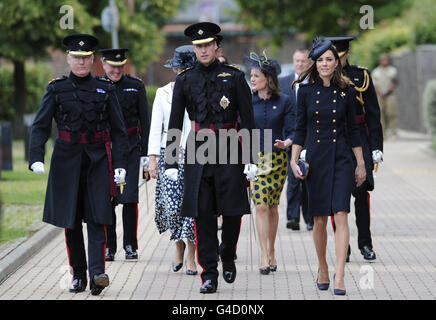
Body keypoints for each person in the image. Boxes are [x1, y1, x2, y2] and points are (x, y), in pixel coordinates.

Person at [28, 34, 129, 295]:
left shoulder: (105, 89)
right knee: (71, 221)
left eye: (86, 58)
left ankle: (98, 274)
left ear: (92, 60)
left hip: (97, 161)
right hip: (66, 162)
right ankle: (79, 275)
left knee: (98, 218)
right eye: (77, 58)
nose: (82, 62)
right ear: (69, 59)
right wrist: (36, 156)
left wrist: (120, 165)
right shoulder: (56, 89)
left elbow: (119, 131)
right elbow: (40, 126)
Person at [164, 22, 257, 294]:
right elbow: (175, 123)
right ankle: (209, 273)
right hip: (198, 147)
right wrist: (170, 161)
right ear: (194, 49)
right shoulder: (185, 79)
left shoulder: (234, 77)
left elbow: (248, 119)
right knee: (202, 213)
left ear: (217, 46)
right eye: (198, 46)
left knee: (232, 210)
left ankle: (227, 253)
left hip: (229, 145)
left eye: (207, 45)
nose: (203, 50)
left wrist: (251, 157)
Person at [290, 37, 366, 295]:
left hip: (342, 159)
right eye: (320, 60)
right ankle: (323, 267)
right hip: (317, 161)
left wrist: (361, 164)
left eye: (329, 59)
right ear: (315, 63)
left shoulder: (347, 90)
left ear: (336, 63)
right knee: (319, 219)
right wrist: (293, 158)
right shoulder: (306, 91)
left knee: (342, 214)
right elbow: (300, 128)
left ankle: (340, 276)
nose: (324, 64)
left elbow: (354, 130)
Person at [326, 36, 384, 261]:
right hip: (334, 140)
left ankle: (365, 243)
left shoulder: (361, 76)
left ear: (346, 54)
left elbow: (373, 114)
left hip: (360, 139)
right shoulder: (323, 78)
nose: (335, 62)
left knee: (361, 195)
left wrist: (377, 147)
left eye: (339, 57)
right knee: (336, 197)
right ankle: (344, 246)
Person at [244, 51, 295, 274]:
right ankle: (263, 255)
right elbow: (242, 130)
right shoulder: (246, 101)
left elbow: (294, 130)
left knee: (273, 207)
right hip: (255, 159)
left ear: (268, 79)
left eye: (256, 75)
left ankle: (272, 249)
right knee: (261, 206)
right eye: (251, 76)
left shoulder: (284, 101)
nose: (252, 79)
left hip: (277, 159)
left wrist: (287, 142)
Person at [148, 45, 197, 275]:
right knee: (171, 204)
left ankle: (191, 254)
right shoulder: (162, 93)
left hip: (198, 150)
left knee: (194, 203)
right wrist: (153, 159)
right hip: (170, 150)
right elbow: (155, 128)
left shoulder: (200, 90)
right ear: (175, 69)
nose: (183, 72)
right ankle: (177, 243)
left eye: (187, 68)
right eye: (180, 69)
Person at [99, 48, 150, 262]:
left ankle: (130, 244)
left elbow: (145, 122)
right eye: (112, 65)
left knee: (129, 198)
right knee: (106, 199)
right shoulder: (97, 87)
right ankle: (109, 246)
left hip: (129, 147)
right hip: (105, 148)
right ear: (103, 64)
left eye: (120, 66)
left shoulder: (136, 86)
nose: (116, 70)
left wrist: (146, 154)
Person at [279, 49, 314, 231]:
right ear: (293, 62)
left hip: (309, 138)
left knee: (307, 178)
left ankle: (309, 218)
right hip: (289, 138)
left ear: (309, 63)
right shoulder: (283, 83)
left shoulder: (315, 83)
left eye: (303, 61)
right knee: (292, 180)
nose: (300, 64)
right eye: (297, 61)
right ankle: (292, 217)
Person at [372, 53, 398, 137]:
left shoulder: (392, 70)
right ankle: (383, 134)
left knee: (391, 113)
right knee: (381, 114)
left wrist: (387, 91)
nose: (385, 61)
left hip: (390, 95)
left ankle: (393, 132)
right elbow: (374, 85)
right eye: (383, 60)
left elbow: (395, 82)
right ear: (380, 61)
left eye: (386, 59)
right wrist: (380, 92)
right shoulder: (376, 71)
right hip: (379, 95)